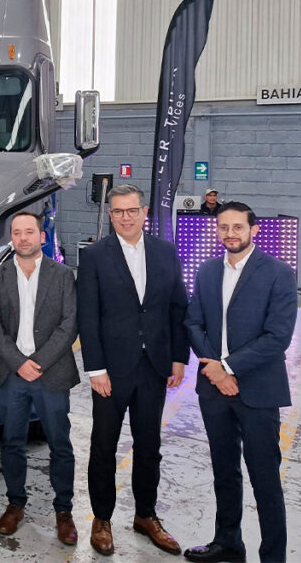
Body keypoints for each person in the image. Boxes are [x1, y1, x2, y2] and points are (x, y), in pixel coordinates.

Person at [77, 183, 189, 556]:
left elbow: (177, 308)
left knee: (149, 446)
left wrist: (178, 357)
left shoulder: (165, 252)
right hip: (111, 369)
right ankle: (102, 519)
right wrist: (95, 368)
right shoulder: (95, 256)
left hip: (154, 366)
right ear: (110, 215)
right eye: (118, 212)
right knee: (103, 446)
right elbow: (88, 315)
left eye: (131, 210)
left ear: (144, 213)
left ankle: (146, 515)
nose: (125, 217)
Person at [183, 202, 296, 563]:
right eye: (224, 227)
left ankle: (273, 557)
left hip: (258, 390)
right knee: (224, 470)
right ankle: (228, 544)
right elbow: (193, 323)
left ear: (253, 230)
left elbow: (278, 336)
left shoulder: (278, 273)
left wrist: (227, 368)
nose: (230, 234)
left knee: (265, 479)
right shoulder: (207, 270)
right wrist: (215, 371)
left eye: (237, 227)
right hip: (214, 391)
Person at [0, 211, 79, 544]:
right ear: (11, 238)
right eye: (16, 232)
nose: (23, 238)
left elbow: (69, 325)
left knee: (60, 444)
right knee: (12, 441)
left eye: (29, 232)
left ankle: (64, 510)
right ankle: (15, 503)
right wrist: (19, 363)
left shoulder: (63, 275)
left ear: (42, 237)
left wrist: (37, 363)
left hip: (51, 373)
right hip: (12, 375)